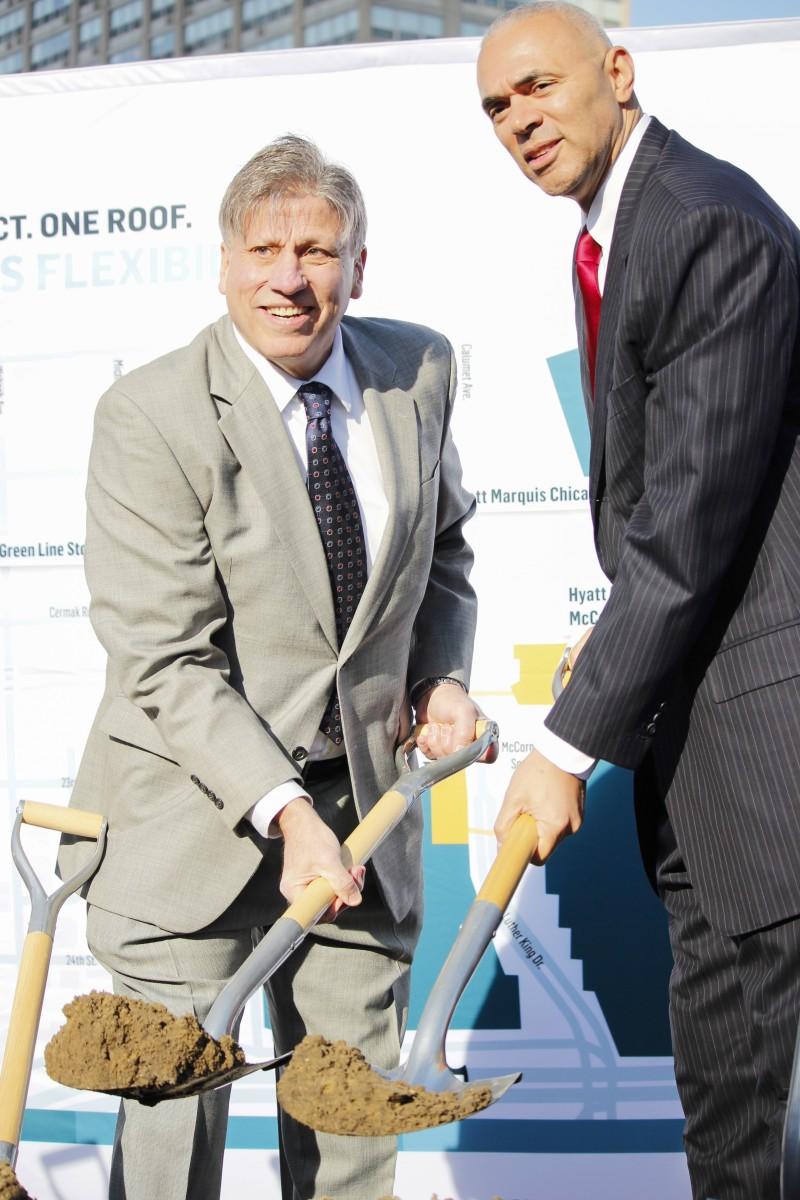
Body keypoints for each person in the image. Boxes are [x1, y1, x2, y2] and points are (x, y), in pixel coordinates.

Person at [59, 134, 482, 1200]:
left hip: (365, 825)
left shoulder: (417, 369)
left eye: (316, 250)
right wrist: (289, 815)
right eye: (263, 250)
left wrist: (437, 680)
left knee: (349, 1138)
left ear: (357, 266)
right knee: (169, 1160)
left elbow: (444, 556)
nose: (289, 278)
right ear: (222, 263)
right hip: (186, 832)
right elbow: (164, 656)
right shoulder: (150, 415)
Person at [477, 5, 800, 1198]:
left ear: (615, 73)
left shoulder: (700, 221)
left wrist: (562, 747)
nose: (519, 122)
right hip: (707, 749)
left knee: (737, 1128)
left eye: (535, 88)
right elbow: (689, 506)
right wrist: (609, 650)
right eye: (495, 109)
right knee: (728, 1127)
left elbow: (686, 529)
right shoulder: (618, 232)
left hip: (766, 753)